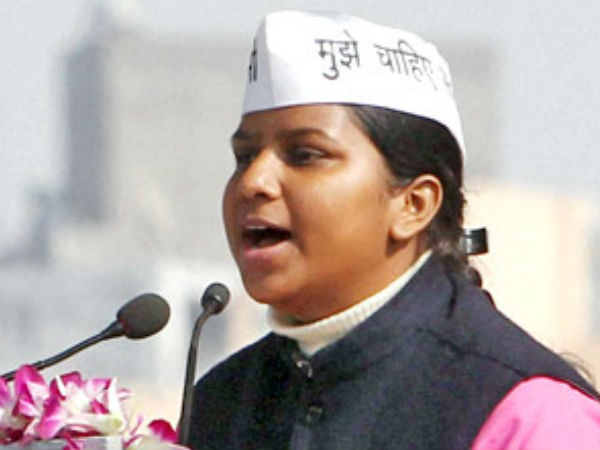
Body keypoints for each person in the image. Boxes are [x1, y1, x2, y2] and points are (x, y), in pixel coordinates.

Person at [189, 11, 600, 450]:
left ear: (413, 204)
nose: (254, 181)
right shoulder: (219, 404)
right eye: (244, 157)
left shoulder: (525, 412)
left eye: (305, 155)